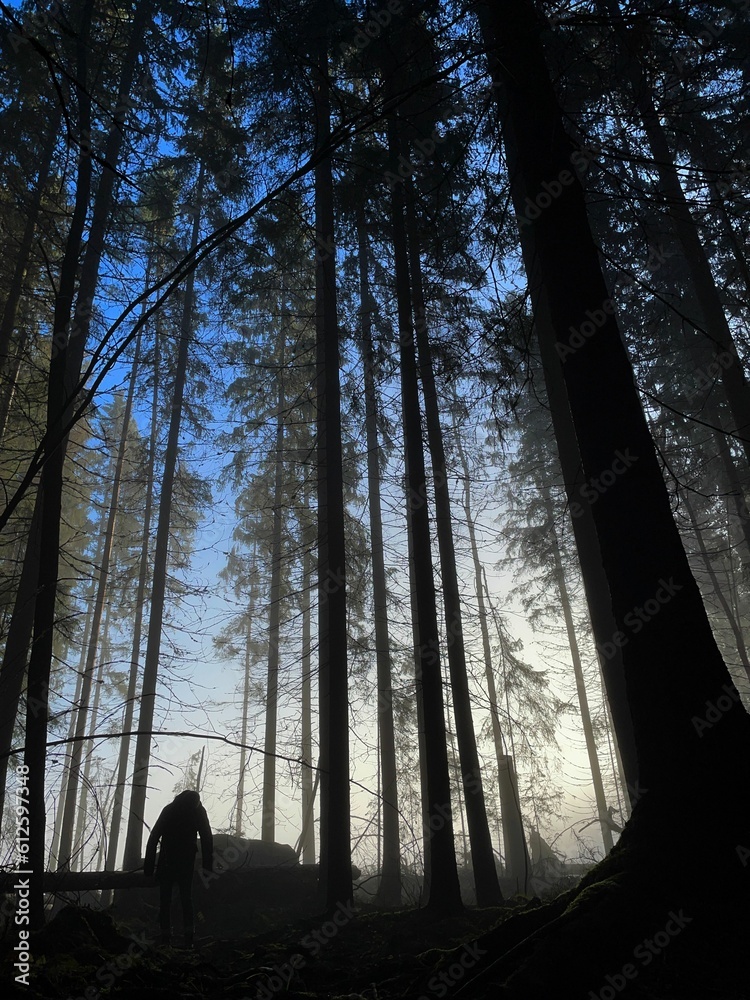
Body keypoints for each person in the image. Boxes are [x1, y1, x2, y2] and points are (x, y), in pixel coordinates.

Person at [143, 789, 213, 947]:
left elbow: (154, 837)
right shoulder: (197, 811)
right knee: (185, 898)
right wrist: (207, 866)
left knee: (167, 899)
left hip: (169, 860)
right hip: (183, 861)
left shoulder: (171, 809)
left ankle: (167, 936)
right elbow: (207, 838)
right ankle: (187, 937)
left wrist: (149, 867)